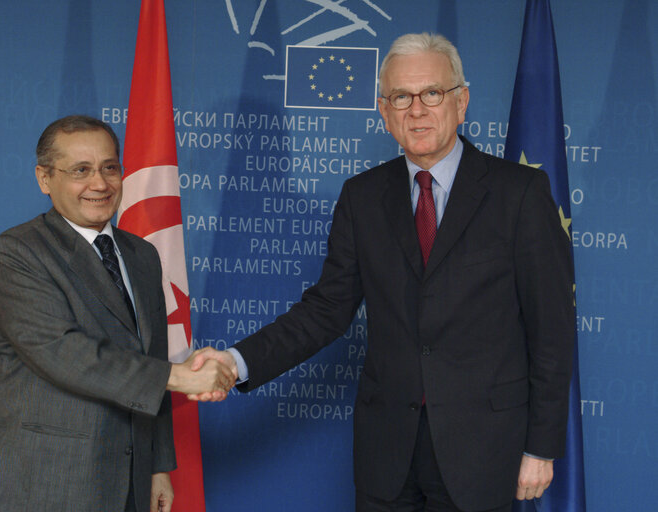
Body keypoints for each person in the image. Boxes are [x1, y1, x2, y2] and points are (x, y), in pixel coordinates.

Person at [191, 33, 575, 512]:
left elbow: (552, 331)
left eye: (432, 93)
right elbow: (325, 311)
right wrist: (234, 362)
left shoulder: (520, 193)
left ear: (461, 101)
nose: (417, 110)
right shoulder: (362, 197)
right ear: (383, 111)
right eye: (400, 97)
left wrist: (540, 447)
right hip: (386, 455)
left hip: (485, 451)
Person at [0, 115, 234, 512]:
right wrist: (179, 377)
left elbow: (151, 358)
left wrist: (158, 466)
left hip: (129, 482)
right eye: (81, 170)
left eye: (110, 167)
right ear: (44, 178)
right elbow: (63, 352)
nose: (100, 183)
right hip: (44, 482)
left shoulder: (142, 255)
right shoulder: (17, 252)